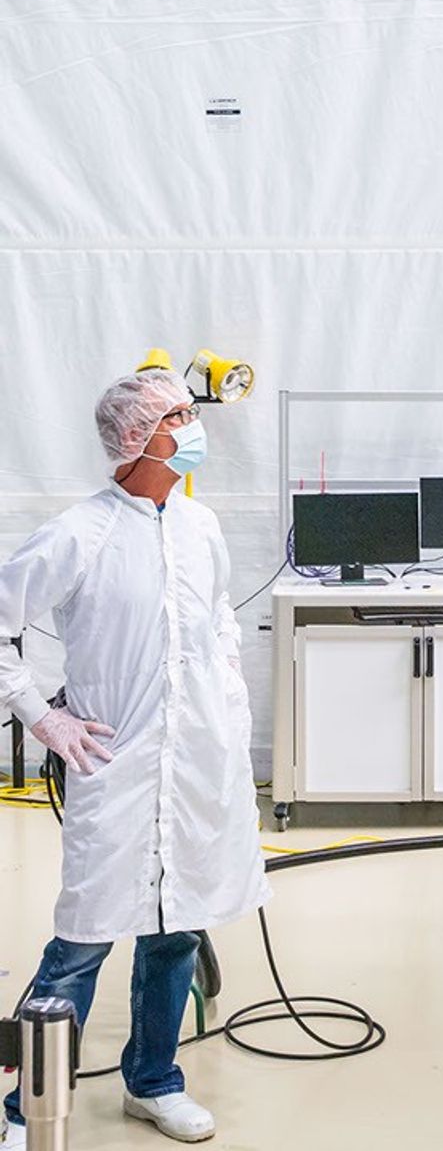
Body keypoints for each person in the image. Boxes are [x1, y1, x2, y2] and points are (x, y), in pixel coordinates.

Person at [0, 370, 268, 1146]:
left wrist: (228, 713)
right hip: (113, 770)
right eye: (178, 416)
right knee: (82, 939)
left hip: (193, 769)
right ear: (135, 438)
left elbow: (217, 621)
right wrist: (42, 718)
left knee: (177, 929)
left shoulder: (200, 525)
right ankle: (22, 1109)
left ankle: (153, 1080)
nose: (193, 427)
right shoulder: (78, 534)